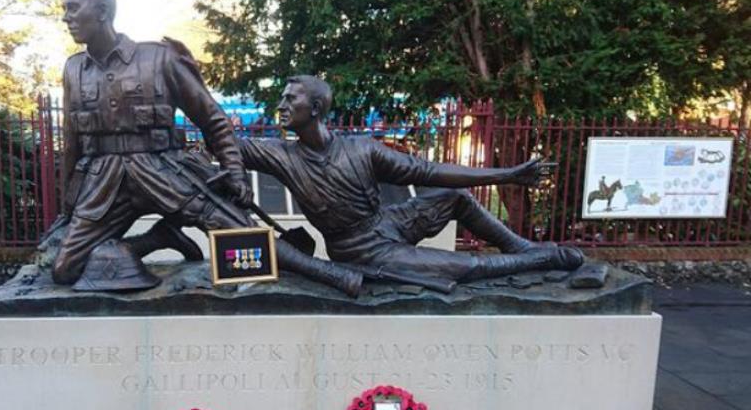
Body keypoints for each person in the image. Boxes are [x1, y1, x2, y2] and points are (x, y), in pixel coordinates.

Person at [51, 0, 361, 295]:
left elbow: (213, 121)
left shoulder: (158, 59)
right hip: (106, 181)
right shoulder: (74, 70)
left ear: (102, 11)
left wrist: (236, 175)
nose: (66, 17)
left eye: (73, 8)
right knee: (65, 270)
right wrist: (68, 208)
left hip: (163, 170)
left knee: (243, 237)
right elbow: (72, 143)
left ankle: (330, 274)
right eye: (65, 9)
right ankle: (158, 238)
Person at [237, 75, 584, 289]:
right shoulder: (280, 155)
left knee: (454, 197)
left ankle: (519, 247)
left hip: (387, 223)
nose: (280, 105)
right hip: (360, 250)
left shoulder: (361, 149)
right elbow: (224, 140)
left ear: (315, 108)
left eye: (289, 98)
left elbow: (428, 172)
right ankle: (545, 260)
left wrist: (505, 175)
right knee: (468, 267)